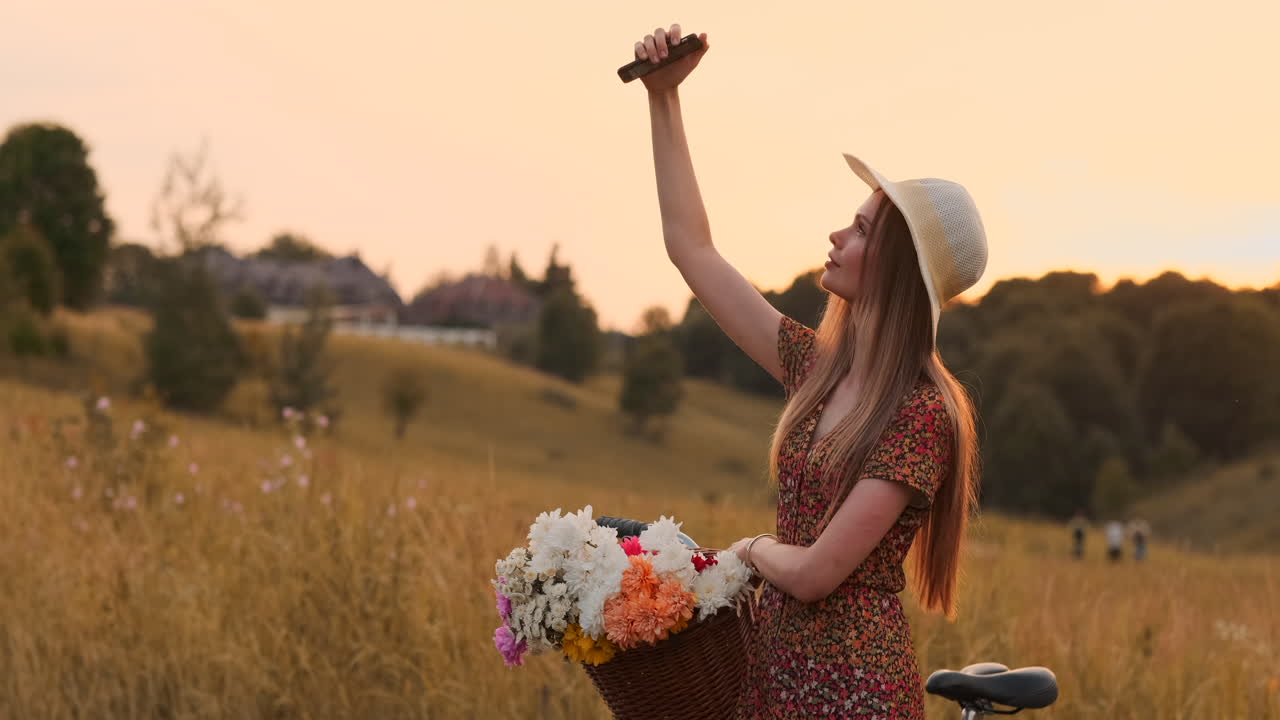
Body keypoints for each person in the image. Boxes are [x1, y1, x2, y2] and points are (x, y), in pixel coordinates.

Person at [630, 24, 987, 718]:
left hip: (853, 695)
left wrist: (751, 550)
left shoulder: (918, 414)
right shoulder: (818, 370)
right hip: (777, 676)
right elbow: (692, 250)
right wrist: (663, 99)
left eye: (860, 228)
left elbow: (820, 571)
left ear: (896, 263)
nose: (837, 235)